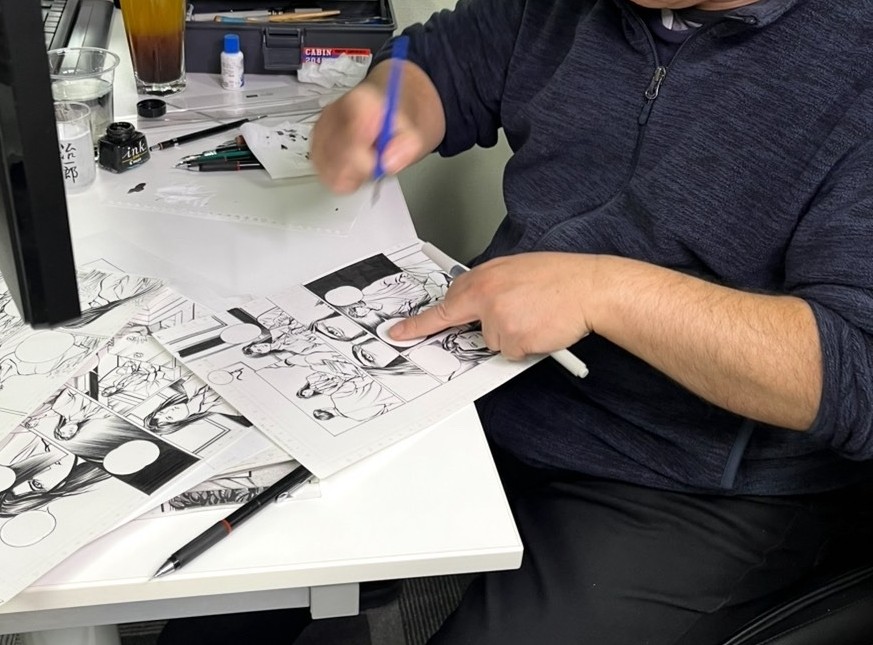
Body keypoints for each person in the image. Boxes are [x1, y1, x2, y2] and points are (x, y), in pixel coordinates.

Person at [160, 1, 873, 643]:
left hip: (688, 474)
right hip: (488, 376)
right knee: (222, 589)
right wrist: (389, 100)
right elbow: (441, 57)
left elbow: (856, 373)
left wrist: (606, 292)